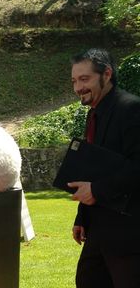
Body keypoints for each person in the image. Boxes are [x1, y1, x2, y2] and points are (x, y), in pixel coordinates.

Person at [68, 48, 140, 288]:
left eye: (84, 79)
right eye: (75, 81)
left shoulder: (131, 109)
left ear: (106, 74)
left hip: (129, 234)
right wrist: (82, 216)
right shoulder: (93, 115)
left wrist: (96, 191)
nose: (78, 87)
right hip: (99, 229)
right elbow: (94, 169)